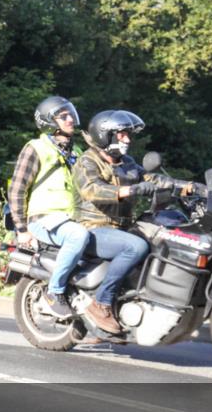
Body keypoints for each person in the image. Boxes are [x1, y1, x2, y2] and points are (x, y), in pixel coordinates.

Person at [74, 110, 191, 335]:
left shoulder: (127, 162)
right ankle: (101, 303)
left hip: (122, 228)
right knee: (135, 246)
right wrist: (130, 190)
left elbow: (152, 179)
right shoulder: (87, 161)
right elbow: (91, 190)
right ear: (105, 136)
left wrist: (188, 187)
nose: (127, 140)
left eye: (128, 135)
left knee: (163, 237)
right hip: (94, 228)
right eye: (122, 135)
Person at [8, 96, 88, 319]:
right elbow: (17, 190)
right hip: (43, 220)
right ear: (48, 121)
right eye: (63, 116)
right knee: (78, 236)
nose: (70, 119)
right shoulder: (36, 148)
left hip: (70, 219)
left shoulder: (77, 152)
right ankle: (54, 291)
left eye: (70, 114)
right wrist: (22, 230)